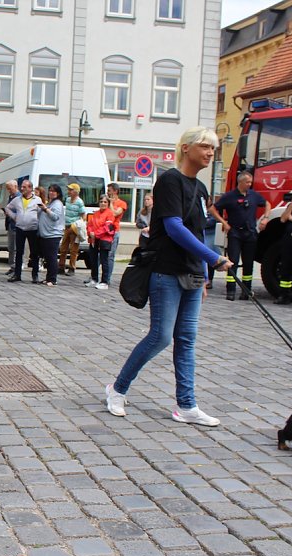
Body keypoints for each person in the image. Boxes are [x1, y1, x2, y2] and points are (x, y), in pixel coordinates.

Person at [105, 126, 233, 427]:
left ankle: (186, 405)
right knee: (160, 336)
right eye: (205, 146)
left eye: (213, 148)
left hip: (191, 274)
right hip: (166, 272)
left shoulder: (200, 189)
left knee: (186, 339)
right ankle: (117, 388)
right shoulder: (170, 182)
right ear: (186, 148)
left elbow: (200, 231)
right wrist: (212, 259)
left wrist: (202, 274)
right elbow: (175, 228)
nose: (210, 153)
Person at [210, 171, 270, 301]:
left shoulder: (253, 195)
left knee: (248, 263)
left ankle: (246, 291)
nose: (250, 184)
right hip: (235, 233)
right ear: (240, 182)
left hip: (250, 233)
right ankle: (230, 290)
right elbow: (213, 209)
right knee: (233, 262)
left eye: (250, 182)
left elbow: (267, 204)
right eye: (247, 182)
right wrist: (224, 222)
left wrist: (265, 218)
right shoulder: (230, 196)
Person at [5, 179, 42, 283]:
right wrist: (14, 216)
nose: (22, 189)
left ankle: (35, 275)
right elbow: (7, 208)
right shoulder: (17, 199)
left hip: (33, 229)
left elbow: (41, 212)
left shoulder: (37, 199)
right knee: (19, 252)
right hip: (20, 228)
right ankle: (17, 274)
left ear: (30, 188)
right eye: (21, 187)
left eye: (25, 187)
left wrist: (36, 220)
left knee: (34, 253)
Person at [85, 195, 116, 290]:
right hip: (94, 239)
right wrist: (90, 233)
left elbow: (107, 227)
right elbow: (90, 224)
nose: (103, 203)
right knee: (93, 259)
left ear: (108, 204)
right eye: (101, 201)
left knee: (104, 260)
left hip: (105, 239)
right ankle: (94, 279)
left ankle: (104, 281)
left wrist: (96, 234)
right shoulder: (96, 213)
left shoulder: (110, 214)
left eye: (105, 202)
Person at [37, 184, 65, 286]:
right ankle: (48, 278)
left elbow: (55, 217)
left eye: (54, 191)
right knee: (48, 258)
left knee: (52, 257)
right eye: (50, 191)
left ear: (58, 193)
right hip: (46, 234)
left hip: (53, 234)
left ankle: (53, 279)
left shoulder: (57, 204)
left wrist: (45, 209)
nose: (51, 193)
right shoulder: (50, 203)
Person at [58, 183, 86, 276]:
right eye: (69, 189)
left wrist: (80, 225)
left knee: (74, 249)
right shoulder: (68, 200)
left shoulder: (79, 202)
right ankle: (61, 266)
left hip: (74, 227)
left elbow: (83, 215)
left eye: (71, 190)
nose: (69, 191)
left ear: (76, 192)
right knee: (63, 248)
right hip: (67, 226)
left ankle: (72, 268)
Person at [106, 182, 128, 282]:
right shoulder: (105, 202)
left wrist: (110, 203)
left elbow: (114, 214)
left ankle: (108, 277)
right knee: (99, 255)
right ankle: (95, 276)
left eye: (109, 190)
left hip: (114, 231)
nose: (108, 192)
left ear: (115, 191)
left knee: (110, 255)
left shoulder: (121, 204)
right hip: (104, 231)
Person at [2, 180, 19, 276]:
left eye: (10, 188)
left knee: (15, 248)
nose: (8, 190)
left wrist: (10, 213)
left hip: (16, 224)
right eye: (7, 188)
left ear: (15, 186)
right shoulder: (11, 197)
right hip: (10, 224)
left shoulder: (19, 197)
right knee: (11, 247)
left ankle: (16, 267)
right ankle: (12, 266)